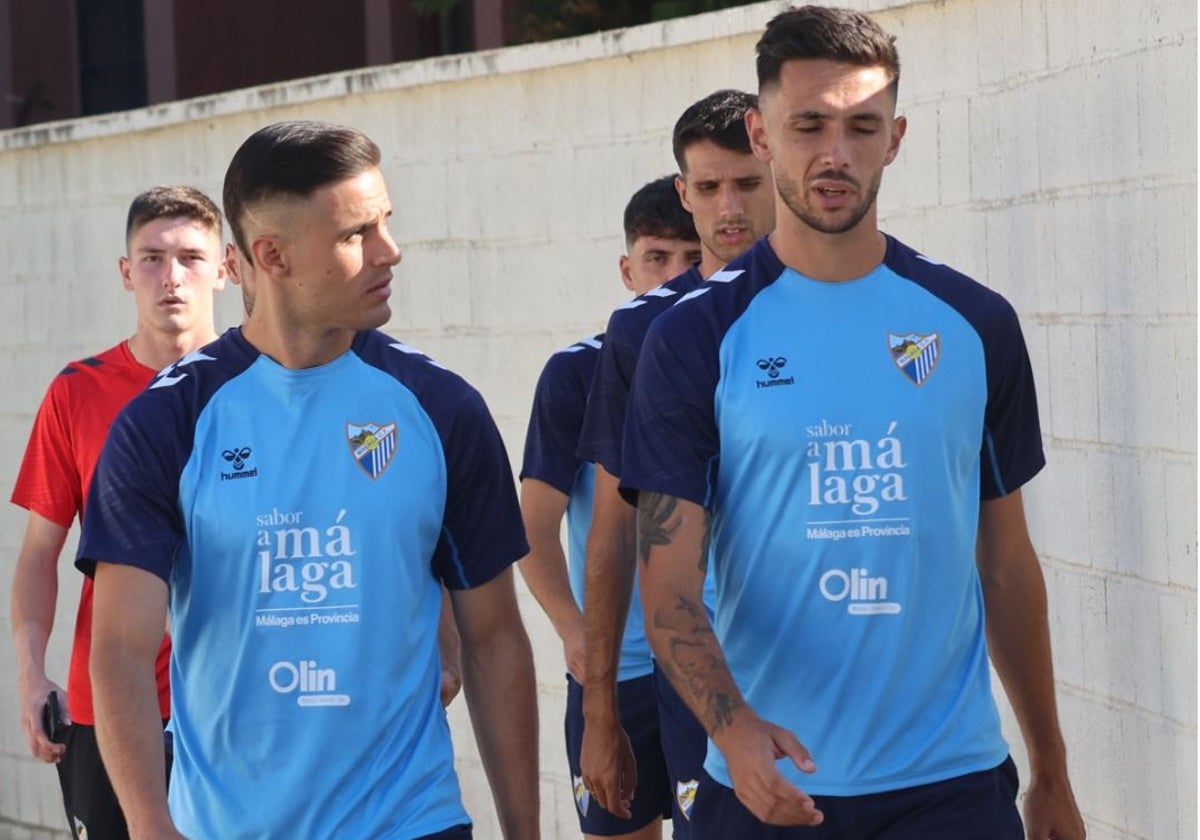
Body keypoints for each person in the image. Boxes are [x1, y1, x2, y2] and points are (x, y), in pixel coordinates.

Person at [621, 7, 1086, 839]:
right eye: (809, 126)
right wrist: (732, 728)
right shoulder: (693, 340)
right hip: (767, 787)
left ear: (896, 136)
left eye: (861, 127)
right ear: (762, 136)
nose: (835, 154)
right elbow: (667, 583)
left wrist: (1051, 769)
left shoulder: (973, 324)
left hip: (954, 788)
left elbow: (1008, 565)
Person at [78, 120, 540, 840]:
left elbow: (495, 640)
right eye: (357, 235)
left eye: (385, 223)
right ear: (272, 255)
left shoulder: (443, 409)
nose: (390, 251)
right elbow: (121, 651)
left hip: (412, 822)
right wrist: (149, 826)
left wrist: (525, 833)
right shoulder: (164, 423)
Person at [576, 90, 775, 836]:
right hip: (699, 674)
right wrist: (601, 707)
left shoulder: (849, 299)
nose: (729, 206)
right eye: (709, 186)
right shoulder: (641, 331)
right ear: (683, 193)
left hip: (831, 667)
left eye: (747, 182)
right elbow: (613, 528)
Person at [10, 186, 227, 840]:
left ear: (226, 268)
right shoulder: (77, 390)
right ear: (126, 272)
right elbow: (39, 553)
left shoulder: (260, 384)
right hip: (107, 709)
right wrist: (29, 675)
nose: (172, 277)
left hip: (232, 703)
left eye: (191, 257)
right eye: (153, 259)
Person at [519, 175, 701, 840]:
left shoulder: (727, 350)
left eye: (691, 257)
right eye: (658, 258)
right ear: (628, 269)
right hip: (614, 673)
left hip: (708, 669)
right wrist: (574, 633)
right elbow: (532, 529)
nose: (675, 274)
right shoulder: (575, 373)